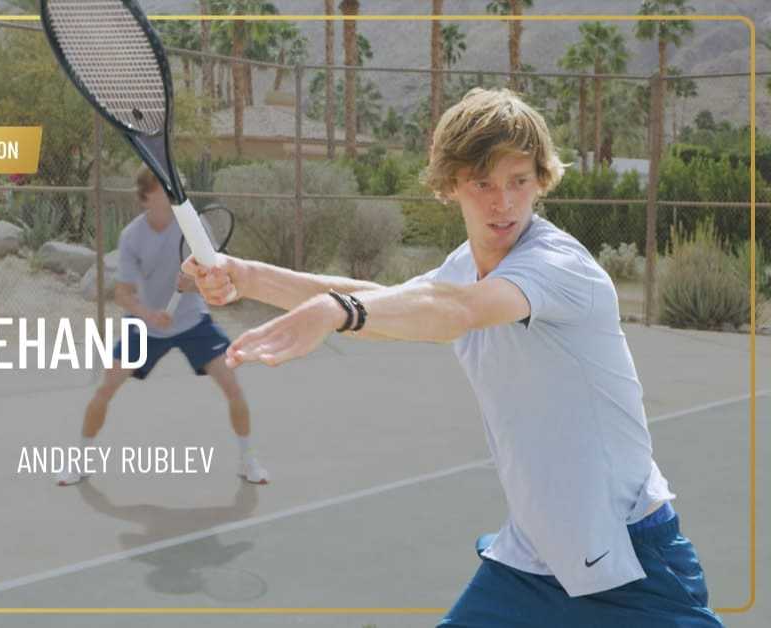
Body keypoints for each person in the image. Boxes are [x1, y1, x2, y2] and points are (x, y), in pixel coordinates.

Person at [183, 88, 722, 626]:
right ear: (450, 186)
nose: (502, 202)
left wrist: (339, 311)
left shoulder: (556, 266)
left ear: (540, 180)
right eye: (482, 182)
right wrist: (250, 276)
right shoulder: (464, 266)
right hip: (532, 561)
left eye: (518, 181)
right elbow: (379, 296)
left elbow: (456, 310)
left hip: (633, 559)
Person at [56, 167, 269, 486]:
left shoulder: (196, 227)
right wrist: (148, 315)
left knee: (233, 388)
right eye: (166, 186)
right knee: (105, 390)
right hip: (144, 328)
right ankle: (80, 461)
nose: (176, 190)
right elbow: (122, 293)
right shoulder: (132, 236)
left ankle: (247, 460)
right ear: (146, 197)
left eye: (178, 185)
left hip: (194, 322)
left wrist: (195, 284)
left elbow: (219, 281)